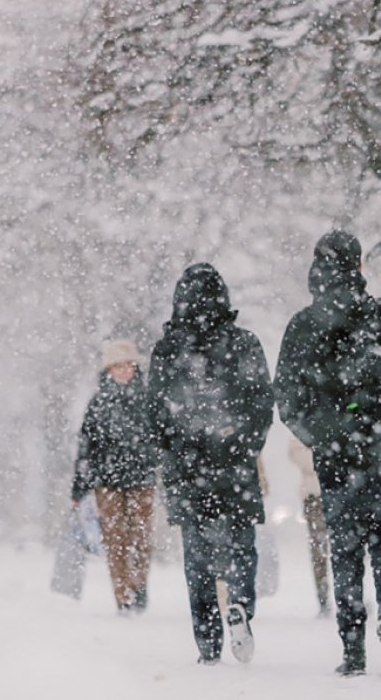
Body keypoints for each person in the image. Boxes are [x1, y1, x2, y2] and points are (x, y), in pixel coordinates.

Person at [274, 230, 381, 682]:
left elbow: (287, 396)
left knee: (343, 549)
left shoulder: (305, 326)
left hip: (337, 460)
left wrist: (326, 435)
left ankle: (352, 646)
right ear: (358, 267)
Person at [148, 263, 274, 666]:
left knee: (198, 555)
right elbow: (260, 402)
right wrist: (246, 444)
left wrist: (175, 449)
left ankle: (207, 642)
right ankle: (239, 603)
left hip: (188, 468)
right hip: (234, 464)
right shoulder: (243, 343)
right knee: (241, 544)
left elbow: (155, 412)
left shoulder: (168, 350)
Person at [70, 339, 157, 614]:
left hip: (142, 479)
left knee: (140, 538)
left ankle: (138, 584)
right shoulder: (98, 403)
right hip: (107, 482)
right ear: (108, 370)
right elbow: (87, 446)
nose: (122, 371)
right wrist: (79, 486)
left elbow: (160, 439)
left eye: (127, 365)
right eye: (116, 366)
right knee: (115, 540)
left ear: (135, 368)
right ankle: (124, 596)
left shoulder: (147, 399)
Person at [288, 436, 331, 617]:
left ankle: (350, 595)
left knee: (348, 547)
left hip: (338, 490)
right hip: (314, 495)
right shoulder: (304, 423)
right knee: (318, 549)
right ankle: (323, 598)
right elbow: (296, 454)